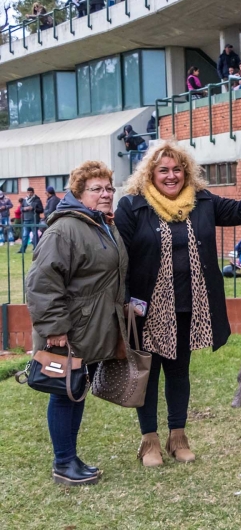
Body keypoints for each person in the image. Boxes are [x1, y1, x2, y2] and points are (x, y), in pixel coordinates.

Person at [115, 141, 241, 467]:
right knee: (147, 374)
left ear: (185, 171)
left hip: (188, 305)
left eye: (177, 169)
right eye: (164, 170)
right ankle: (150, 442)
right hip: (145, 308)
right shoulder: (132, 206)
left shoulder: (202, 201)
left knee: (178, 373)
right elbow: (121, 262)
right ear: (151, 173)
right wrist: (126, 304)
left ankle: (178, 437)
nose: (171, 176)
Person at [27, 160, 128, 487]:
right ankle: (63, 463)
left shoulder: (101, 224)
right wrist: (54, 328)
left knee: (76, 390)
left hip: (89, 327)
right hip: (67, 331)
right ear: (78, 193)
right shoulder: (65, 229)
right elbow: (42, 282)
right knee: (63, 392)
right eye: (96, 189)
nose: (106, 194)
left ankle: (70, 458)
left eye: (109, 188)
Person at [19, 186, 44, 254]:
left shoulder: (37, 200)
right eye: (28, 192)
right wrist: (25, 209)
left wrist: (33, 209)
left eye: (31, 192)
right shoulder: (25, 200)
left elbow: (41, 210)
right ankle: (22, 249)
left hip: (34, 219)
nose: (29, 193)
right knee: (25, 235)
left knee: (35, 235)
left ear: (33, 193)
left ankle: (36, 249)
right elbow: (21, 209)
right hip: (26, 220)